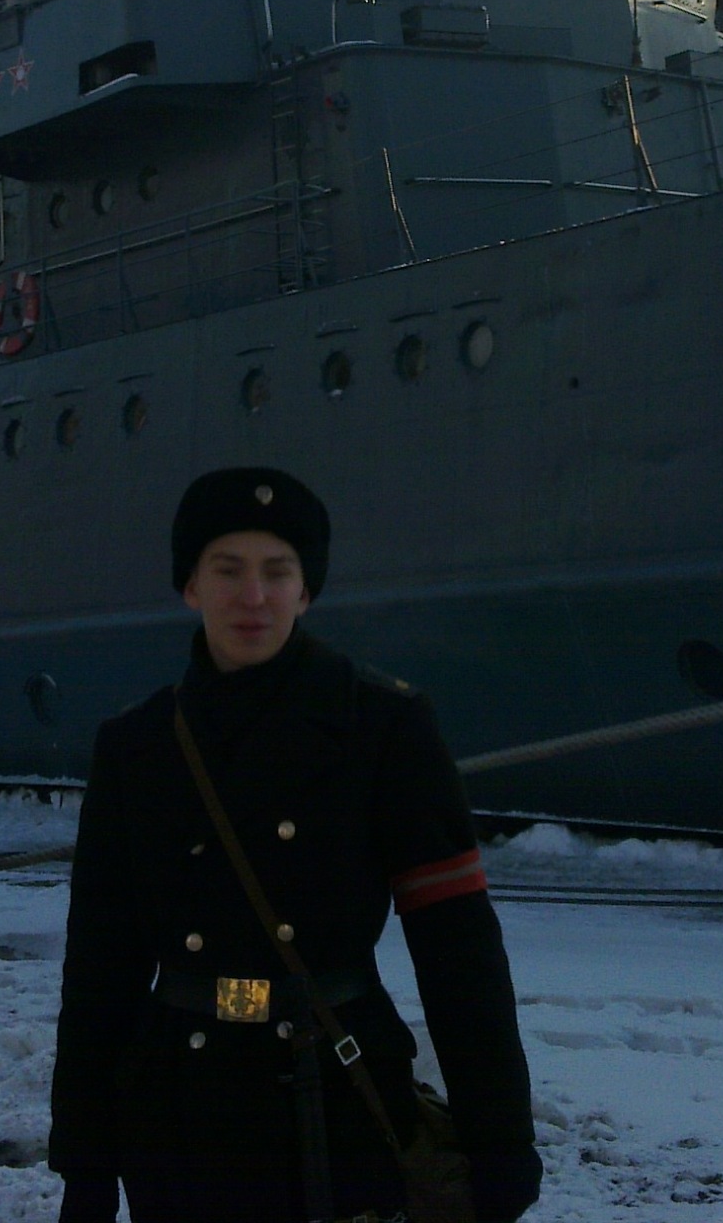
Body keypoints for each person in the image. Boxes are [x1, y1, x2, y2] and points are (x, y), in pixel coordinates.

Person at [49, 468, 542, 1223]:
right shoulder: (136, 748)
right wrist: (83, 1165)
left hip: (333, 1109)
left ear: (306, 591)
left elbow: (459, 951)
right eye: (228, 570)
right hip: (180, 1118)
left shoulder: (383, 728)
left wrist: (500, 1142)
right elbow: (100, 969)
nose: (254, 596)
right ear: (190, 587)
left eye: (277, 572)